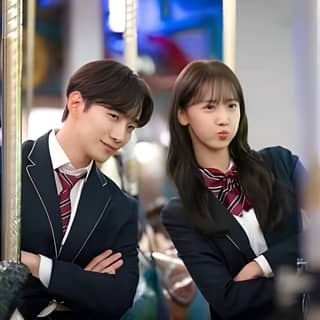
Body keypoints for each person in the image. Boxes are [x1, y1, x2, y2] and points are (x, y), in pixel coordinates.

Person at [161, 60, 306, 320]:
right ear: (183, 114)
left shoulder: (280, 163)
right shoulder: (181, 212)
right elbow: (227, 299)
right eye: (209, 107)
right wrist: (302, 275)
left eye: (232, 106)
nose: (224, 118)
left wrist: (260, 265)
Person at [18, 59, 153, 319]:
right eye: (113, 116)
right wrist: (80, 281)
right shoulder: (12, 166)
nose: (120, 136)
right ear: (76, 103)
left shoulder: (119, 205)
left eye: (130, 126)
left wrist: (37, 265)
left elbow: (119, 296)